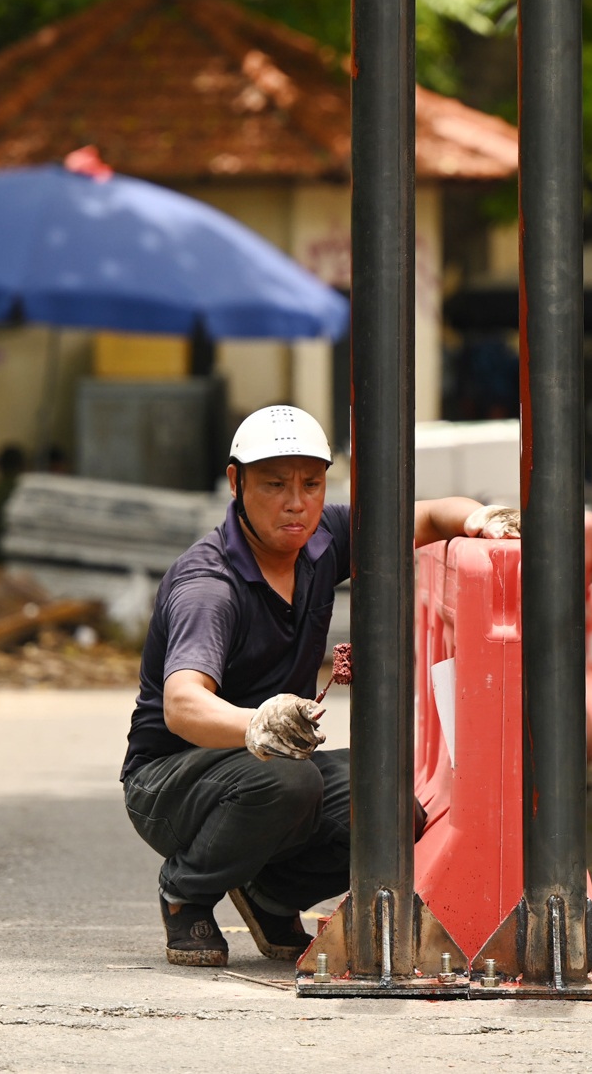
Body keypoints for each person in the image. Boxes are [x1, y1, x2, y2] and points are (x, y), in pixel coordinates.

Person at [121, 405, 518, 967]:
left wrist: (479, 521)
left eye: (311, 483)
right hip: (170, 783)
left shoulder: (321, 538)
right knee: (288, 781)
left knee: (392, 806)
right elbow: (184, 705)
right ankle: (187, 893)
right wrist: (256, 724)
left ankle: (272, 895)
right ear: (236, 483)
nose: (296, 502)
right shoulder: (209, 585)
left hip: (265, 767)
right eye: (275, 485)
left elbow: (426, 518)